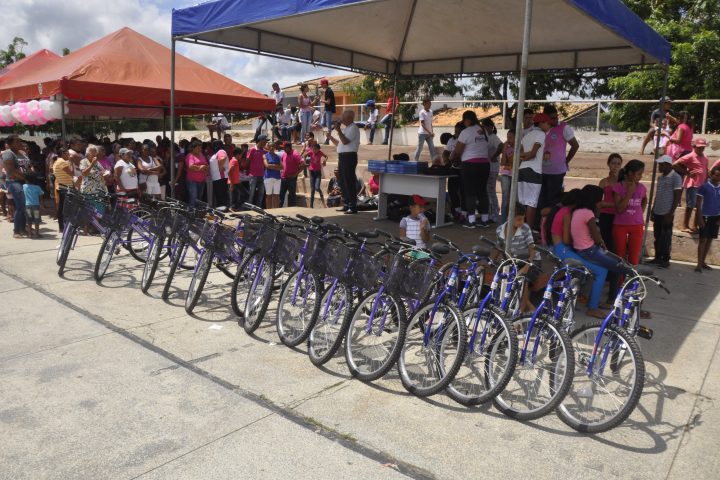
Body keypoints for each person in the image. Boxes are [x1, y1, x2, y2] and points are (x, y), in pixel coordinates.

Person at [450, 111, 491, 228]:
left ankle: (471, 220)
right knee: (483, 192)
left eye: (464, 121)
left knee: (470, 192)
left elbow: (458, 151)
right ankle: (485, 220)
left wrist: (451, 157)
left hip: (470, 165)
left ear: (467, 120)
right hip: (484, 164)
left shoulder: (466, 132)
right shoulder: (483, 130)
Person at [496, 204, 537, 313]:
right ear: (509, 217)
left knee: (523, 280)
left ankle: (520, 313)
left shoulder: (525, 228)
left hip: (530, 261)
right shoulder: (500, 230)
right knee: (504, 277)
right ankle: (530, 308)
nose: (521, 222)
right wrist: (491, 262)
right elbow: (497, 248)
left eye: (523, 219)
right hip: (514, 262)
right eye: (519, 219)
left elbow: (532, 251)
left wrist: (527, 265)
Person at [540, 104, 580, 214]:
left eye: (556, 117)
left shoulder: (563, 127)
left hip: (557, 172)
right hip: (541, 171)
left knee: (553, 199)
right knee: (542, 199)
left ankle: (553, 221)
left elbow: (575, 145)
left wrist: (566, 160)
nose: (555, 120)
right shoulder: (540, 128)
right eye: (551, 118)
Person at [612, 159, 647, 278]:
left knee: (634, 257)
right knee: (620, 257)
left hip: (637, 225)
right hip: (620, 225)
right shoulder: (618, 187)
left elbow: (645, 199)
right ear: (630, 173)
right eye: (639, 173)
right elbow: (619, 209)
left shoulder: (641, 187)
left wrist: (640, 211)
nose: (641, 176)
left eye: (642, 174)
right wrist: (629, 193)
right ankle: (620, 283)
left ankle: (632, 283)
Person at [518, 112, 552, 229]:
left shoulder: (527, 135)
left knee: (522, 203)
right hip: (533, 171)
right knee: (531, 204)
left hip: (522, 170)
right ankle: (528, 231)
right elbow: (533, 153)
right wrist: (528, 156)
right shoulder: (541, 134)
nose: (549, 126)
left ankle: (520, 229)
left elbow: (521, 154)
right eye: (548, 123)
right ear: (541, 123)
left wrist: (525, 157)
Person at [649, 155, 682, 268]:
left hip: (667, 212)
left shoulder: (676, 177)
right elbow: (657, 194)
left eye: (661, 165)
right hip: (658, 210)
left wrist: (670, 213)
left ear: (668, 165)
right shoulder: (660, 178)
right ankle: (657, 257)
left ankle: (665, 259)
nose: (659, 167)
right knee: (657, 235)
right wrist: (653, 209)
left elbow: (677, 196)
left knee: (666, 237)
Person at [327, 110, 360, 214]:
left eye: (343, 117)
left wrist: (338, 130)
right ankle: (346, 204)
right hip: (343, 157)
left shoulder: (353, 128)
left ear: (349, 118)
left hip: (349, 157)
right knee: (342, 181)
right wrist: (331, 137)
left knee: (349, 181)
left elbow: (345, 141)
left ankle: (352, 206)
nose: (341, 119)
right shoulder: (346, 128)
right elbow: (340, 143)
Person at [674, 137, 709, 233]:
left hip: (702, 185)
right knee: (690, 205)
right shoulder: (690, 156)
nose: (701, 149)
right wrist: (687, 172)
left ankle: (694, 226)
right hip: (693, 184)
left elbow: (706, 170)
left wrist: (706, 182)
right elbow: (675, 164)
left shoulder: (705, 157)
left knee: (699, 206)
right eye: (699, 147)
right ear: (694, 147)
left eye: (703, 147)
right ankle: (685, 225)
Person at [3, 135, 30, 238]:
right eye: (17, 141)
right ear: (10, 144)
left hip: (25, 180)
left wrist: (31, 175)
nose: (20, 143)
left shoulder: (22, 153)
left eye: (20, 141)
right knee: (20, 205)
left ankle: (23, 229)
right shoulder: (8, 153)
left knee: (25, 206)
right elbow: (11, 170)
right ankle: (17, 230)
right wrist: (25, 178)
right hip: (14, 181)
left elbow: (28, 165)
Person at [694, 166, 720, 272]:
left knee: (709, 240)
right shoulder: (704, 187)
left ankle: (703, 262)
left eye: (719, 176)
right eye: (716, 175)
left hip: (716, 217)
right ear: (711, 174)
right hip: (705, 217)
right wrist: (699, 218)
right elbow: (698, 203)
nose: (718, 177)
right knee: (703, 240)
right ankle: (699, 264)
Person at [598, 153, 623, 249]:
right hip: (605, 215)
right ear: (608, 164)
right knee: (606, 241)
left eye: (618, 164)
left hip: (619, 215)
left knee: (618, 242)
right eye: (613, 163)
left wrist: (607, 204)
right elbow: (598, 202)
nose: (616, 166)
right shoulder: (603, 182)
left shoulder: (623, 182)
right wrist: (615, 205)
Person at [482, 118, 504, 224]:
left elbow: (501, 146)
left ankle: (494, 213)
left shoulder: (493, 137)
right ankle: (490, 213)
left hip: (492, 168)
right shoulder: (485, 138)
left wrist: (494, 156)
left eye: (485, 127)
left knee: (490, 191)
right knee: (488, 191)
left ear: (490, 127)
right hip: (487, 168)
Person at [53, 147, 74, 232]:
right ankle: (63, 226)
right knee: (64, 208)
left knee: (62, 207)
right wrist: (71, 162)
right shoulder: (62, 162)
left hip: (62, 186)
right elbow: (71, 172)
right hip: (65, 187)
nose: (69, 155)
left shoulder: (57, 161)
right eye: (67, 154)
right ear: (62, 154)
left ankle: (62, 226)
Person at [279, 141, 305, 207]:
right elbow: (281, 162)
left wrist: (295, 174)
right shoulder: (284, 154)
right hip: (283, 178)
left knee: (292, 196)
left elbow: (303, 165)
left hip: (291, 179)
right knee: (281, 195)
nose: (283, 149)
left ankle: (293, 209)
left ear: (288, 147)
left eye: (284, 148)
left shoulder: (295, 154)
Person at [184, 140, 209, 207]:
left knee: (199, 198)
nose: (200, 149)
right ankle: (191, 211)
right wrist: (201, 167)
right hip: (192, 180)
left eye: (200, 148)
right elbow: (191, 167)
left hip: (201, 180)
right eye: (198, 148)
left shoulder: (202, 155)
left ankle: (197, 212)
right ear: (193, 148)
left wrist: (201, 168)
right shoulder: (190, 156)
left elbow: (207, 166)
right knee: (193, 197)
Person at [499, 129, 515, 224]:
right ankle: (503, 221)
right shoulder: (506, 148)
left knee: (514, 198)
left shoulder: (520, 147)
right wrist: (504, 150)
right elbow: (503, 163)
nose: (508, 139)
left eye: (510, 137)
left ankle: (512, 220)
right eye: (507, 137)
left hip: (515, 174)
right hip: (505, 173)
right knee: (505, 197)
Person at [414, 98, 437, 162]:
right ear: (424, 104)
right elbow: (422, 124)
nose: (430, 105)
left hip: (429, 134)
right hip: (422, 134)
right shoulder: (422, 112)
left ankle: (434, 161)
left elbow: (430, 123)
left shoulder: (431, 112)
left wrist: (432, 132)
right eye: (428, 103)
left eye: (430, 103)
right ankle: (415, 161)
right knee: (420, 148)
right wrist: (430, 132)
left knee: (432, 148)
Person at [22, 173, 44, 238]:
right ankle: (37, 234)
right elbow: (41, 197)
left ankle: (30, 234)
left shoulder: (24, 186)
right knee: (37, 220)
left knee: (29, 220)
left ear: (26, 179)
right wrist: (42, 205)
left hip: (27, 206)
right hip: (36, 206)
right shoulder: (38, 187)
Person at [263, 142, 282, 209]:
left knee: (276, 196)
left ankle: (276, 211)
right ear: (268, 147)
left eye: (273, 146)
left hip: (277, 178)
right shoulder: (265, 155)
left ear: (275, 147)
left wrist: (271, 166)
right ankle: (269, 211)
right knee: (268, 195)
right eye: (270, 146)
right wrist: (276, 166)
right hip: (268, 177)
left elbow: (282, 167)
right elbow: (267, 166)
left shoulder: (278, 156)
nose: (271, 148)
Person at [307, 143, 327, 208]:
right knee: (312, 190)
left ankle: (321, 195)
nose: (314, 150)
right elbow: (304, 155)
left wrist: (325, 161)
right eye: (313, 149)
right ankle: (311, 206)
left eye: (315, 149)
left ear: (318, 149)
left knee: (317, 187)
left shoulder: (320, 153)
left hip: (318, 172)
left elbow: (326, 156)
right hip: (312, 172)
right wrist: (305, 162)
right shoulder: (311, 152)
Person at [319, 78, 336, 145]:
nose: (321, 85)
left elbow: (328, 102)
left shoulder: (329, 91)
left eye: (322, 84)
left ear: (325, 84)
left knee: (328, 126)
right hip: (326, 109)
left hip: (329, 109)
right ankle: (334, 124)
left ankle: (327, 140)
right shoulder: (327, 91)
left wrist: (321, 101)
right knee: (323, 123)